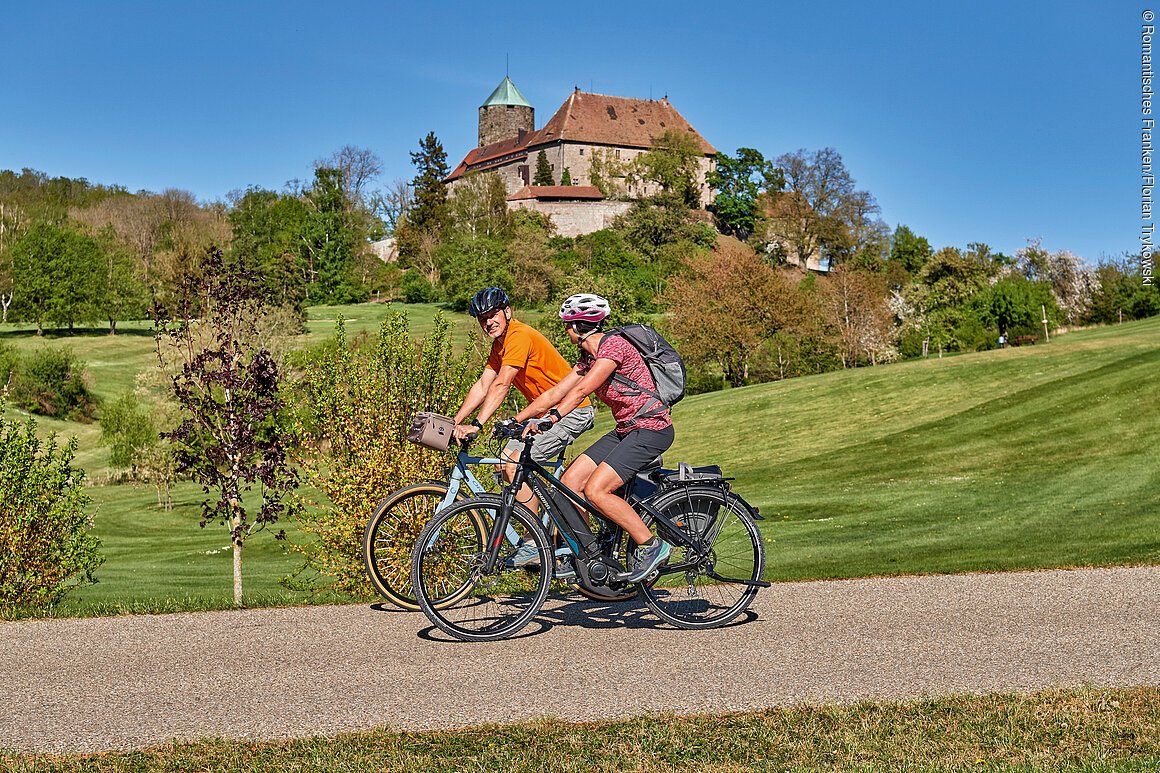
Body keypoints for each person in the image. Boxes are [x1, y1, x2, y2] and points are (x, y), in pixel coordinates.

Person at [515, 293, 674, 582]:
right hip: (627, 429)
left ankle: (652, 545)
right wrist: (517, 420)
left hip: (651, 429)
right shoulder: (588, 358)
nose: (566, 332)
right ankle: (587, 555)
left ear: (577, 327)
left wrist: (551, 419)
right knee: (569, 482)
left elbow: (580, 392)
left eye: (567, 326)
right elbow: (554, 393)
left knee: (597, 490)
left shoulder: (614, 347)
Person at [452, 287, 595, 564]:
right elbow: (484, 384)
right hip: (542, 413)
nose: (488, 322)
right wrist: (456, 421)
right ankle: (543, 529)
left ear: (507, 311)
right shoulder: (500, 344)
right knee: (503, 460)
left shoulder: (518, 336)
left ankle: (534, 542)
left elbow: (502, 383)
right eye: (483, 318)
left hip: (571, 410)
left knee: (515, 463)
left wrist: (478, 425)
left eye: (493, 314)